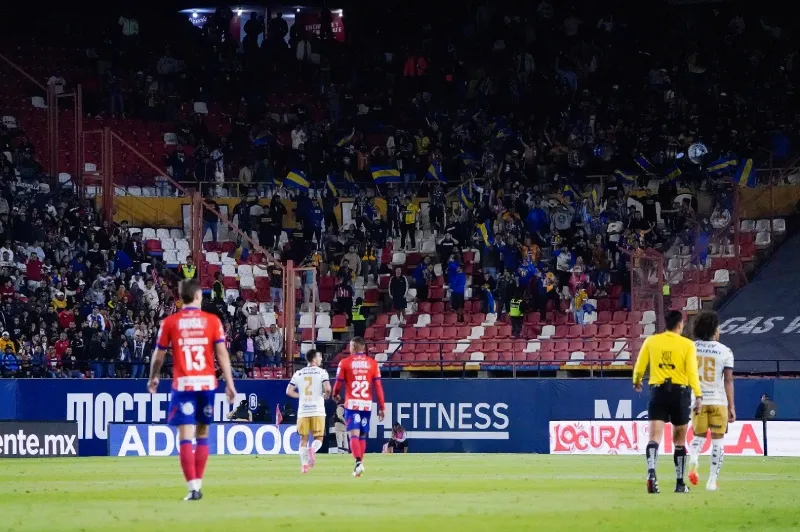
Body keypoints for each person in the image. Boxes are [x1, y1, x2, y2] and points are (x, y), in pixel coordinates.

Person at [148, 279, 237, 501]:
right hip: (207, 383)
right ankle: (198, 483)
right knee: (203, 433)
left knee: (185, 436)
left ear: (180, 298)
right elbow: (222, 354)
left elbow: (158, 356)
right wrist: (230, 382)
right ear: (198, 296)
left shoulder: (170, 322)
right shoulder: (212, 321)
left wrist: (153, 378)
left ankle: (193, 487)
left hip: (185, 384)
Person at [632, 310, 702, 494]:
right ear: (680, 325)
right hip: (680, 393)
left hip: (658, 391)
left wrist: (637, 380)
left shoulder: (651, 341)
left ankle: (651, 473)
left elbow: (640, 365)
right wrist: (698, 395)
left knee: (654, 438)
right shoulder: (687, 345)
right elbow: (692, 372)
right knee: (679, 441)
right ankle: (679, 484)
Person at [687, 311, 735, 491]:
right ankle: (712, 481)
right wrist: (732, 406)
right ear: (714, 329)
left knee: (698, 436)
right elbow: (728, 380)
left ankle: (693, 457)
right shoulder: (725, 351)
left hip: (698, 400)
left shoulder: (691, 348)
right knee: (718, 442)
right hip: (718, 401)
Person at [332, 336, 386, 477]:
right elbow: (378, 386)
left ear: (354, 347)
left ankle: (357, 462)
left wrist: (335, 394)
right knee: (362, 435)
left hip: (352, 403)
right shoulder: (372, 364)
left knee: (353, 435)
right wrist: (382, 407)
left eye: (350, 346)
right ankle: (359, 466)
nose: (349, 349)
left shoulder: (345, 363)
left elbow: (338, 383)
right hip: (366, 404)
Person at [286, 349, 331, 473]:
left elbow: (289, 391)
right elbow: (327, 388)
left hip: (303, 411)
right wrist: (326, 394)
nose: (321, 359)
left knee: (303, 440)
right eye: (319, 357)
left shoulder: (298, 373)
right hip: (318, 410)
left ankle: (304, 466)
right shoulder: (322, 372)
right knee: (319, 438)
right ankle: (313, 449)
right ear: (314, 359)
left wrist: (302, 396)